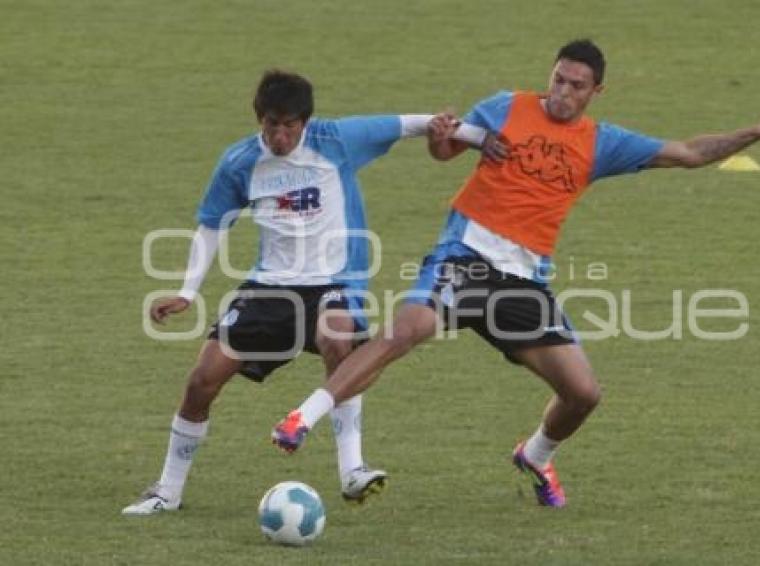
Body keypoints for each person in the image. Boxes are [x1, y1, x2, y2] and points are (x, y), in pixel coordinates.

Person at [270, 40, 760, 508]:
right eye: (557, 79)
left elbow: (687, 153)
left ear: (597, 91)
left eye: (576, 86)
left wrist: (753, 133)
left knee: (583, 394)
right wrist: (443, 132)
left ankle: (536, 454)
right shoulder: (506, 108)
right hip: (465, 256)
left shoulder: (602, 142)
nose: (561, 93)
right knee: (403, 331)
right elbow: (444, 151)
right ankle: (302, 418)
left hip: (523, 284)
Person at [122, 69, 487, 515]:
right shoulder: (239, 162)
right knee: (201, 381)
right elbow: (213, 224)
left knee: (337, 340)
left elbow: (414, 123)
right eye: (271, 124)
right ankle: (167, 491)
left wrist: (478, 137)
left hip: (335, 282)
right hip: (268, 288)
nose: (279, 135)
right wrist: (187, 291)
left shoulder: (336, 141)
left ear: (305, 122)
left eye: (289, 125)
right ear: (259, 119)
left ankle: (352, 470)